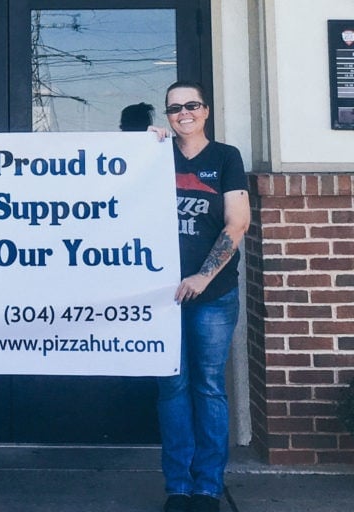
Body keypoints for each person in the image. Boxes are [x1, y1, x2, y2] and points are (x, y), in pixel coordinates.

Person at [153, 81, 250, 512]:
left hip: (212, 295)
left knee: (208, 388)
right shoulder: (155, 156)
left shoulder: (225, 158)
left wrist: (203, 277)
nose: (183, 113)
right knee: (172, 388)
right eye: (175, 109)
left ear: (206, 111)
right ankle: (178, 486)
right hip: (160, 295)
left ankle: (208, 487)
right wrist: (139, 145)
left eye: (191, 105)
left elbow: (236, 224)